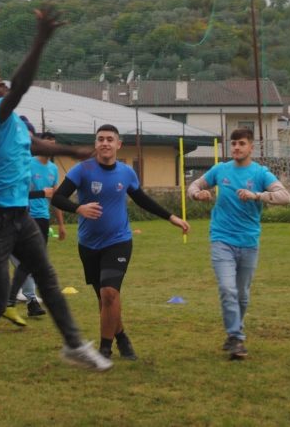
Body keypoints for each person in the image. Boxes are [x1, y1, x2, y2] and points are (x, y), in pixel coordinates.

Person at [0, 6, 112, 393]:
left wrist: (72, 151)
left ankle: (73, 345)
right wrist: (41, 39)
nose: (1, 85)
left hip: (17, 217)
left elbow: (37, 144)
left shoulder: (13, 123)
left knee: (46, 277)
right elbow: (21, 86)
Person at [51, 124, 190, 360]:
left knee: (109, 293)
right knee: (104, 299)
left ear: (118, 145)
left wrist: (171, 217)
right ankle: (122, 337)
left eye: (109, 139)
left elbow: (142, 199)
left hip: (118, 241)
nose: (105, 143)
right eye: (100, 139)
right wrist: (79, 208)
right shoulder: (82, 170)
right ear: (96, 144)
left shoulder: (126, 173)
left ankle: (105, 349)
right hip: (88, 244)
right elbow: (57, 197)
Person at [187, 127, 290, 360]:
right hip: (221, 239)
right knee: (227, 289)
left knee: (242, 294)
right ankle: (237, 338)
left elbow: (286, 197)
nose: (236, 148)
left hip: (249, 242)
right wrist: (198, 194)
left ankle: (233, 334)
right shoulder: (219, 170)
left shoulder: (260, 173)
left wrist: (258, 196)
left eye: (241, 143)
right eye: (233, 144)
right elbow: (193, 186)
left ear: (251, 147)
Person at [6, 131, 67, 319]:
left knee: (34, 262)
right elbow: (18, 193)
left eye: (53, 144)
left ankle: (22, 301)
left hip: (42, 218)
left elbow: (55, 197)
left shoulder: (53, 169)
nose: (50, 147)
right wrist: (41, 193)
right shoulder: (28, 164)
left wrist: (61, 224)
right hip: (26, 217)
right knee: (30, 261)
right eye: (47, 143)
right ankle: (19, 300)